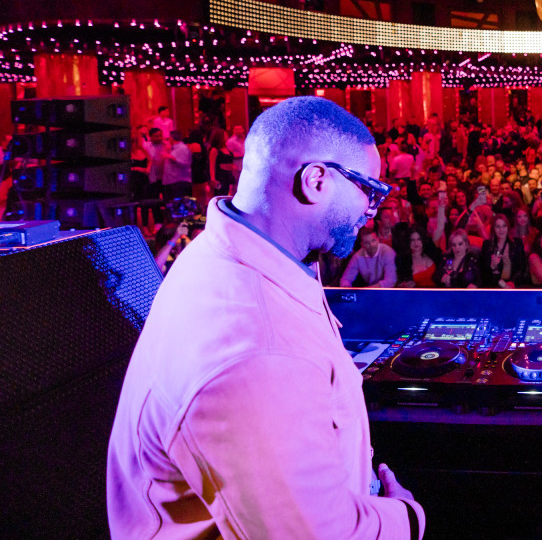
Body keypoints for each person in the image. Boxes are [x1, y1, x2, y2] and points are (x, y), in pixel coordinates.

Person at [108, 96, 424, 538]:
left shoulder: (238, 253)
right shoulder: (254, 349)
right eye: (369, 190)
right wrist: (405, 517)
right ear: (316, 180)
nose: (372, 211)